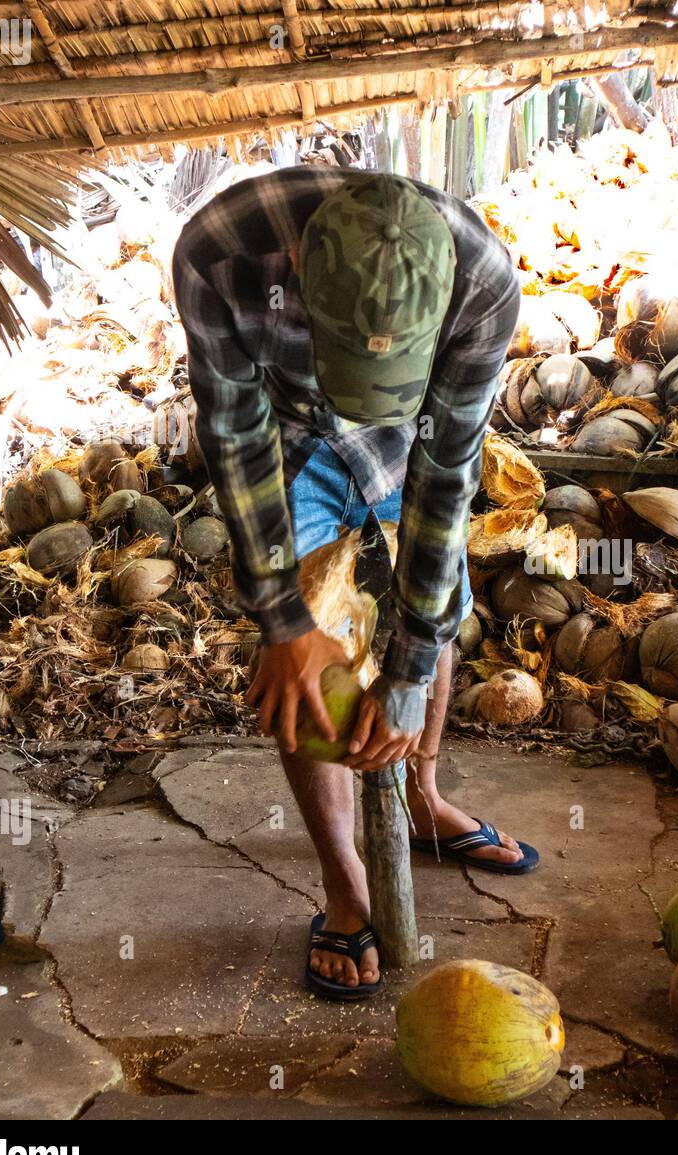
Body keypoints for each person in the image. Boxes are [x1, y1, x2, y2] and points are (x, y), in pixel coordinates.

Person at [173, 167, 537, 1001]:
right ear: (296, 265)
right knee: (307, 647)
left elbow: (445, 479)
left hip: (409, 431)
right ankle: (345, 884)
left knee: (431, 608)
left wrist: (408, 670)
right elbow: (235, 437)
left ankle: (423, 798)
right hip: (285, 428)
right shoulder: (217, 255)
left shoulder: (484, 285)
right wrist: (282, 619)